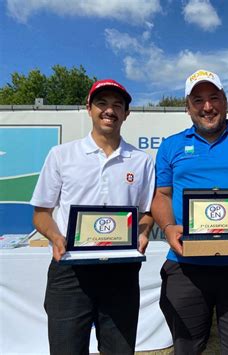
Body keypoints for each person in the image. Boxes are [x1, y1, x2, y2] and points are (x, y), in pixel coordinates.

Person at [30, 79, 155, 355]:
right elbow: (41, 214)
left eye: (117, 105)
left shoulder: (141, 161)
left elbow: (146, 212)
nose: (109, 110)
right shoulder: (61, 155)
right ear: (89, 108)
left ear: (126, 113)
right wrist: (56, 237)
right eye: (102, 103)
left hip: (121, 273)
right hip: (70, 271)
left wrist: (144, 232)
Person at [152, 69, 228, 354]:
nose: (207, 107)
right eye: (198, 100)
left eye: (214, 97)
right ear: (187, 107)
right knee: (186, 349)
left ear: (226, 100)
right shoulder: (171, 145)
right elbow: (161, 195)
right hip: (185, 267)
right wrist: (169, 229)